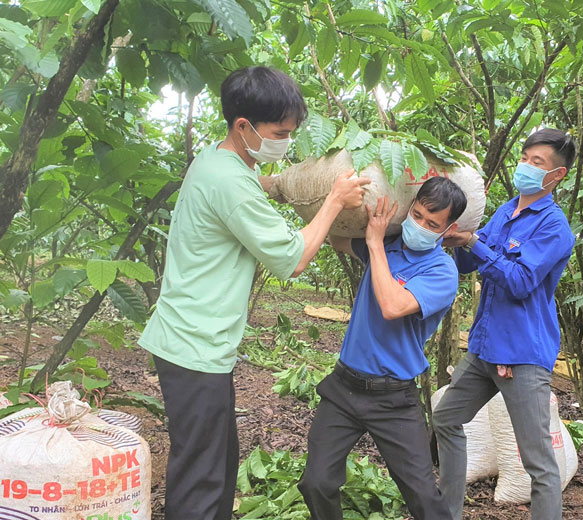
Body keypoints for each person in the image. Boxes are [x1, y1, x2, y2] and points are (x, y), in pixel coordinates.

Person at [138, 66, 370, 520]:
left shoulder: (216, 161)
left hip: (194, 344)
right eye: (279, 133)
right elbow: (291, 259)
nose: (284, 142)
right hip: (194, 347)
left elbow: (251, 188)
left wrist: (282, 186)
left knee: (217, 467)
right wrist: (334, 201)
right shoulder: (230, 182)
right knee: (201, 479)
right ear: (242, 126)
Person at [298, 177, 468, 520]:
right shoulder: (389, 241)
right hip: (344, 389)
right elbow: (337, 238)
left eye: (432, 224)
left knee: (422, 496)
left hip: (393, 398)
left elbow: (392, 305)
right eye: (416, 214)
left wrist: (375, 244)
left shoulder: (442, 271)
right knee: (316, 482)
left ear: (448, 229)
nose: (419, 226)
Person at [432, 129, 577, 520]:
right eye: (525, 157)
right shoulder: (505, 210)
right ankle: (447, 512)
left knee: (538, 461)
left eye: (538, 163)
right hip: (485, 347)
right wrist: (443, 236)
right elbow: (471, 262)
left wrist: (474, 244)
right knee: (445, 417)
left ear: (557, 175)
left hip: (522, 355)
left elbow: (520, 281)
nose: (526, 166)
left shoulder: (554, 227)